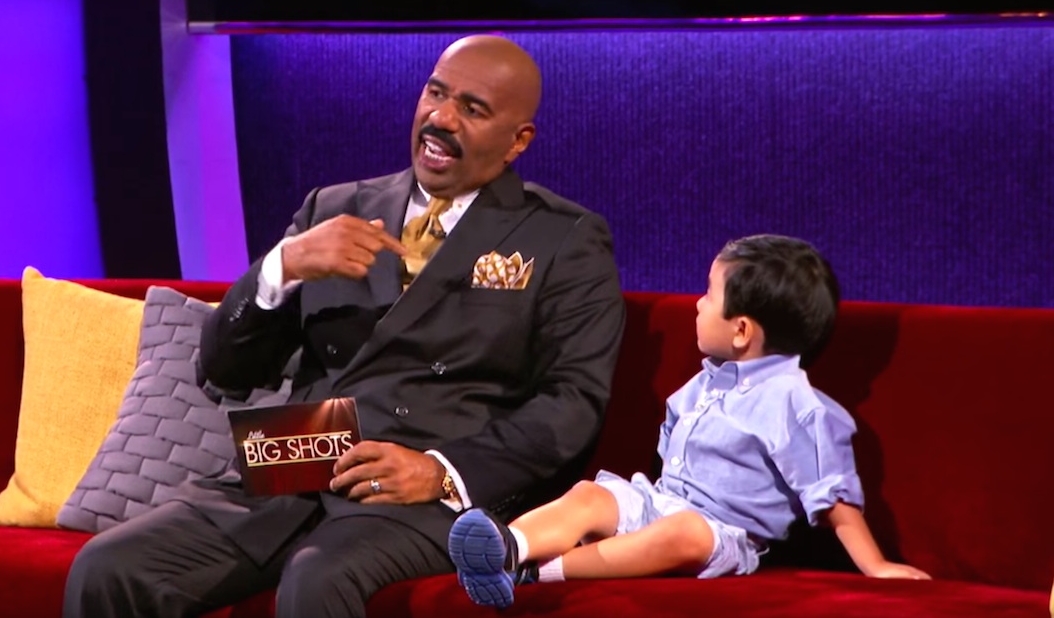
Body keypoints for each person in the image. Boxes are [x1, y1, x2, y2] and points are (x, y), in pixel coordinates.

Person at [62, 34, 626, 618]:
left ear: (518, 141)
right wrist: (282, 268)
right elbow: (224, 372)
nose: (441, 118)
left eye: (472, 109)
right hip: (291, 465)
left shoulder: (562, 238)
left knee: (317, 578)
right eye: (435, 94)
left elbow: (572, 403)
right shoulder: (333, 208)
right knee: (108, 566)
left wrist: (439, 472)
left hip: (423, 491)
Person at [446, 234, 931, 609]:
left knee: (685, 533)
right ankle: (509, 546)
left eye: (708, 294)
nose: (698, 304)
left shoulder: (795, 404)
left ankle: (538, 573)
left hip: (723, 536)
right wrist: (633, 507)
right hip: (662, 501)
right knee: (591, 495)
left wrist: (876, 565)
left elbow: (832, 496)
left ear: (741, 331)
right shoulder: (704, 383)